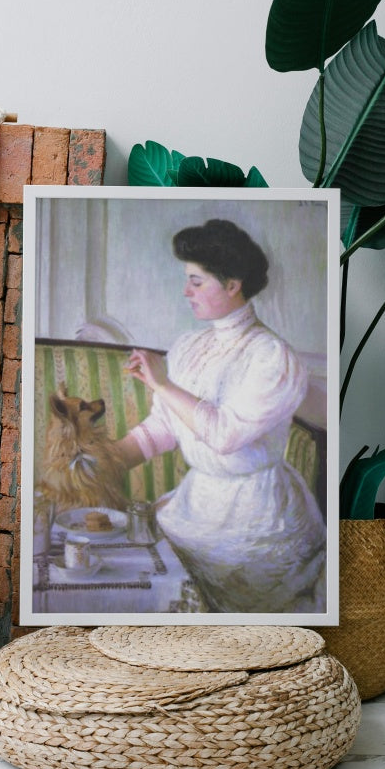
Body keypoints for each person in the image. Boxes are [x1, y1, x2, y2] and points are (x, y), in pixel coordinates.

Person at [115, 218, 326, 614]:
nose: (185, 291)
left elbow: (225, 434)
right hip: (198, 502)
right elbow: (165, 426)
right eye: (187, 279)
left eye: (197, 281)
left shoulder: (273, 357)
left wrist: (163, 384)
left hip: (256, 515)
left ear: (232, 285)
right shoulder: (188, 346)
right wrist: (109, 460)